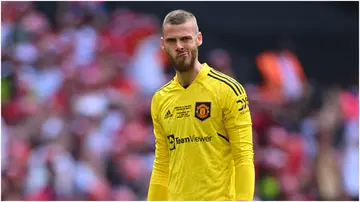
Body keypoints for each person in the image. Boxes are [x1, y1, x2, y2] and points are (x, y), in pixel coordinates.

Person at [147, 9, 255, 201]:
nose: (179, 46)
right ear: (163, 45)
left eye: (185, 39)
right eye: (172, 41)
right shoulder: (160, 99)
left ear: (199, 39)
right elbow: (162, 165)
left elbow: (243, 156)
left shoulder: (227, 89)